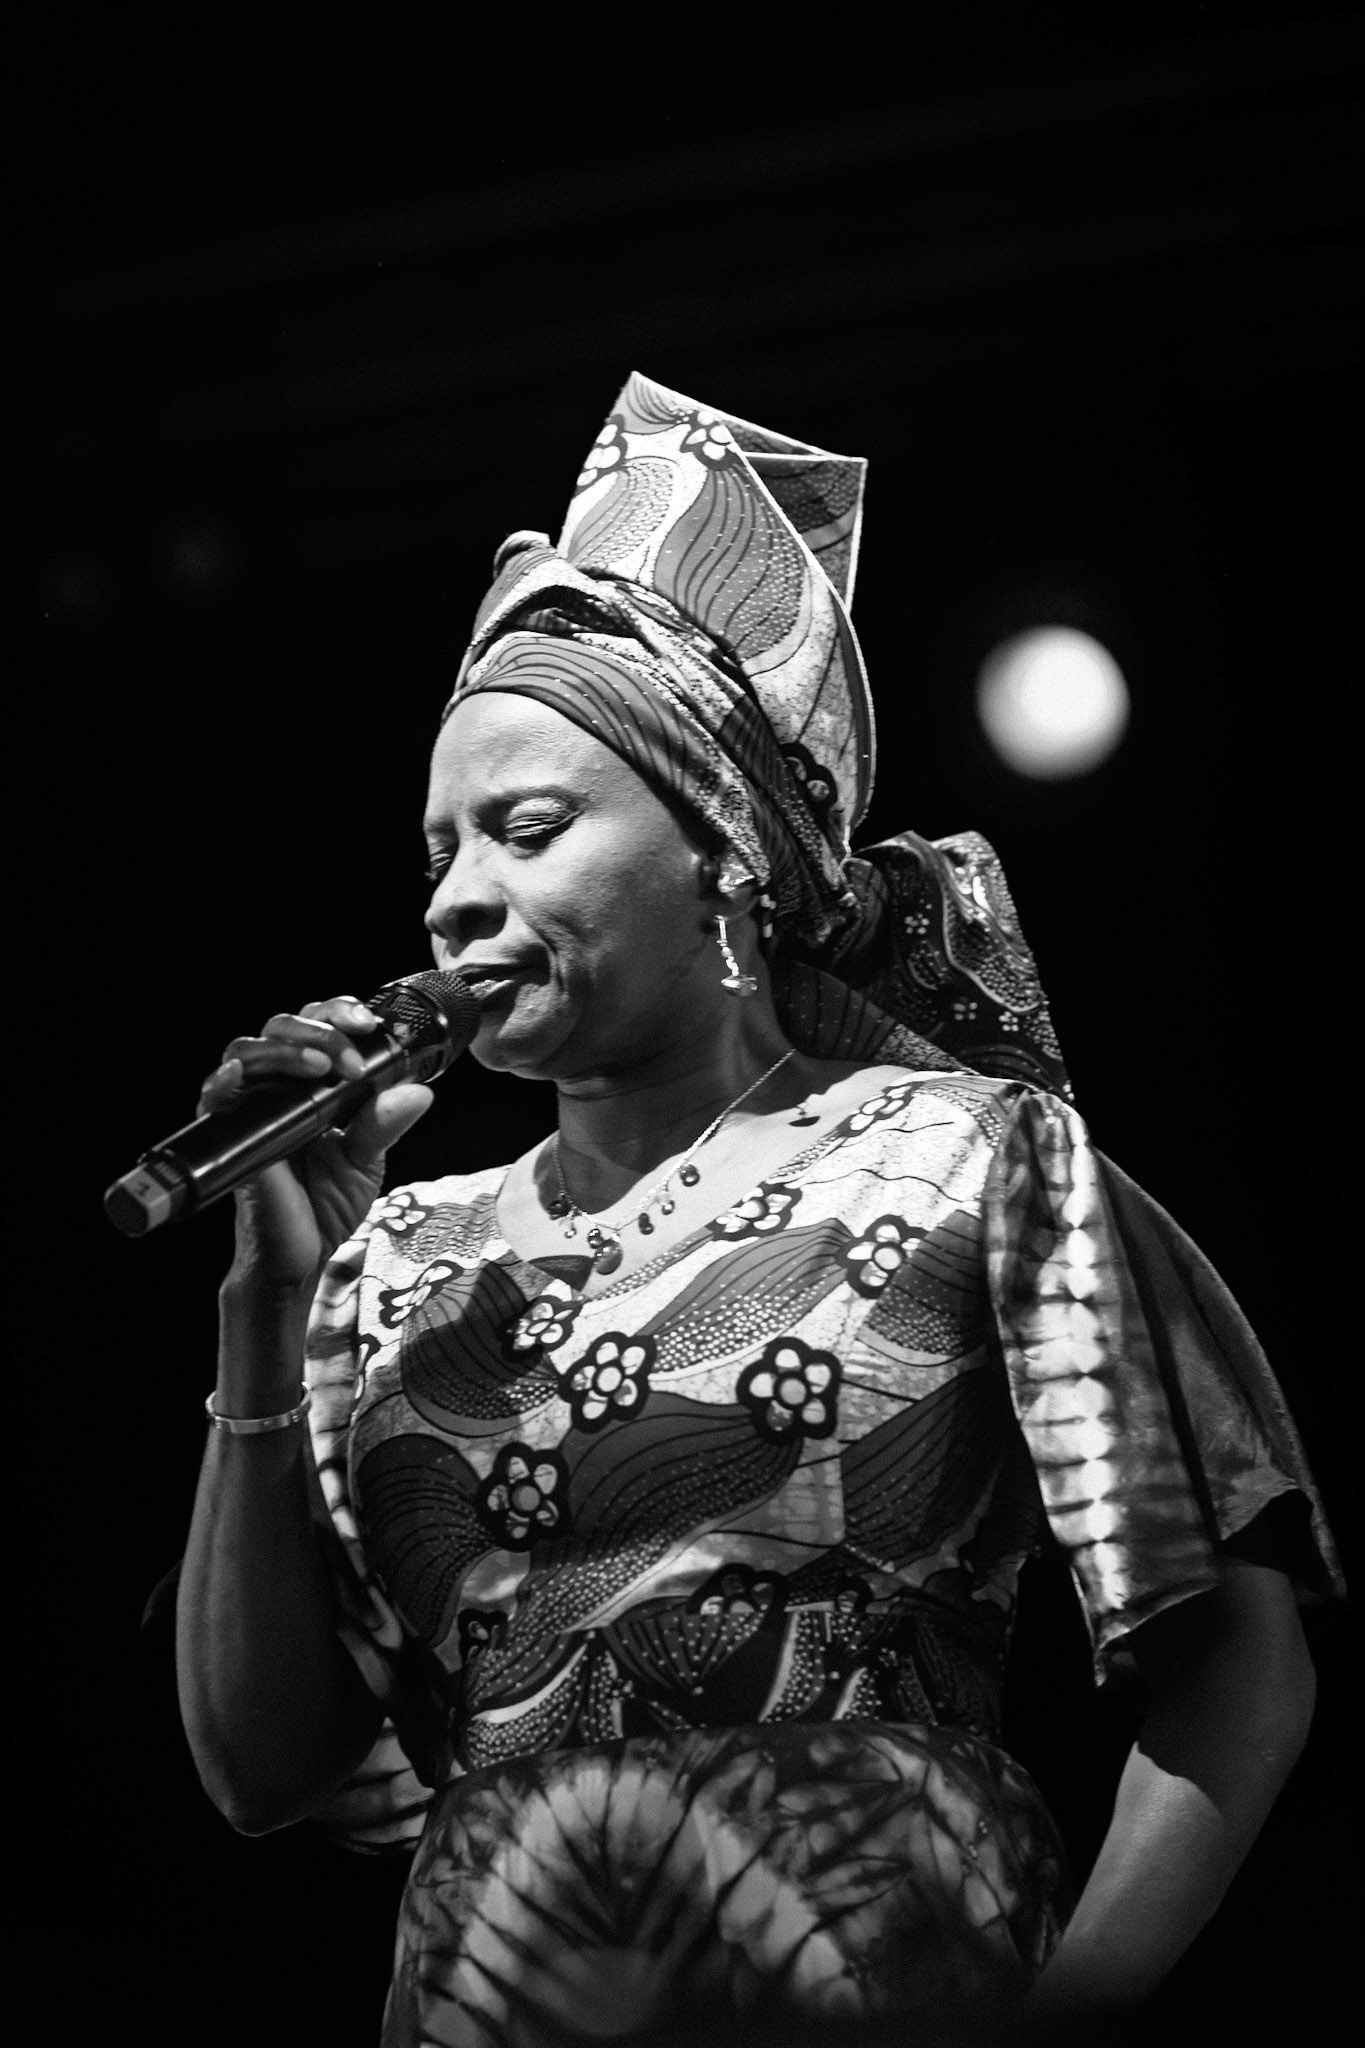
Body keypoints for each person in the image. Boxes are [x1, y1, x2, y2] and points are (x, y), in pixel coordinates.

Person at [177, 373, 1344, 2048]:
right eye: (437, 851)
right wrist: (264, 1306)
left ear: (721, 848)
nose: (454, 899)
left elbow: (1238, 1664)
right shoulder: (401, 1256)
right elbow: (254, 1769)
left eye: (524, 829)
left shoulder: (962, 1160)